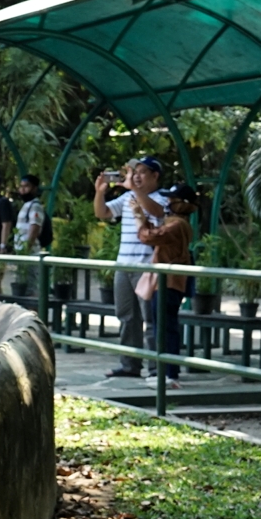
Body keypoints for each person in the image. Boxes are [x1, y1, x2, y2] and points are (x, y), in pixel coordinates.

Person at [92, 157, 168, 377]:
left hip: (147, 268)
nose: (136, 175)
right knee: (126, 316)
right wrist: (99, 192)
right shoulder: (127, 197)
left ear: (155, 176)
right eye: (134, 171)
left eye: (142, 172)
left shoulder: (161, 198)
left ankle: (157, 367)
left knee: (151, 319)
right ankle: (130, 365)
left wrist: (135, 190)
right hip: (123, 265)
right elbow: (102, 213)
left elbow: (156, 213)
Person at [138, 185, 197, 382]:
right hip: (165, 282)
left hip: (170, 283)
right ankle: (166, 371)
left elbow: (152, 237)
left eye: (172, 200)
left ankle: (170, 373)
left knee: (166, 326)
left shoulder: (177, 224)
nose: (167, 203)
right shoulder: (175, 223)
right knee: (162, 325)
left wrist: (141, 221)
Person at [8, 173, 45, 298]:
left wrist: (26, 249)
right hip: (22, 254)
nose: (22, 190)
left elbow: (34, 228)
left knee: (31, 288)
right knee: (23, 287)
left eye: (26, 186)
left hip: (30, 254)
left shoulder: (35, 205)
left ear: (34, 188)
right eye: (21, 186)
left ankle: (33, 315)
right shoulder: (26, 205)